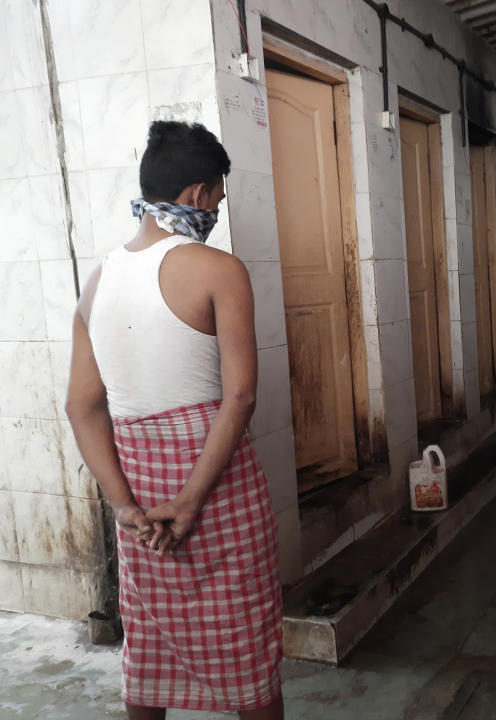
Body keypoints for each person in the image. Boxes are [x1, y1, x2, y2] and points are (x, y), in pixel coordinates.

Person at [65, 121, 283, 720]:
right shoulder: (218, 269)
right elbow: (239, 399)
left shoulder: (97, 282)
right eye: (216, 197)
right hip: (217, 491)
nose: (216, 210)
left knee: (150, 653)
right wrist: (189, 501)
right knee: (250, 652)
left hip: (139, 495)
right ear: (196, 195)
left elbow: (81, 406)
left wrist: (125, 508)